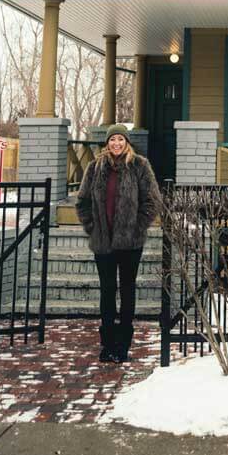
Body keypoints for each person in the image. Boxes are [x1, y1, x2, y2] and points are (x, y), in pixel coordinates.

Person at [76, 124, 162, 363]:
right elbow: (82, 202)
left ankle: (123, 344)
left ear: (127, 143)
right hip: (103, 242)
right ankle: (107, 343)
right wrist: (93, 228)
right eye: (112, 140)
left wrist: (136, 228)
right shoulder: (95, 167)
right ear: (107, 143)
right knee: (106, 291)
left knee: (127, 290)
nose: (116, 144)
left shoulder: (140, 166)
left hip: (130, 243)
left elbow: (152, 201)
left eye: (120, 140)